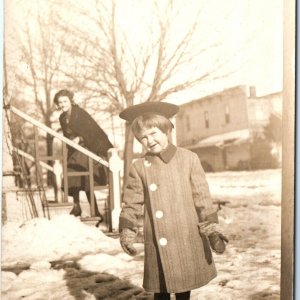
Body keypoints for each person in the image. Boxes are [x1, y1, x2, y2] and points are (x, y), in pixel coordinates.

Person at [118, 102, 228, 300]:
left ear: (166, 129)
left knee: (183, 284)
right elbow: (132, 202)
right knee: (160, 288)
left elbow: (201, 196)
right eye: (143, 137)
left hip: (185, 235)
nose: (149, 140)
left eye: (153, 133)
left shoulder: (188, 158)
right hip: (157, 238)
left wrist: (211, 228)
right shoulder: (139, 167)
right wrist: (127, 229)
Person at [53, 89, 113, 220]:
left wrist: (80, 138)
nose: (62, 104)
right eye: (60, 102)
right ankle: (76, 206)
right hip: (74, 150)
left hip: (87, 148)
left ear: (71, 101)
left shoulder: (80, 113)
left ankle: (95, 211)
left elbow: (92, 131)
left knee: (85, 179)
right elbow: (67, 135)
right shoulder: (62, 118)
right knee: (70, 175)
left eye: (65, 101)